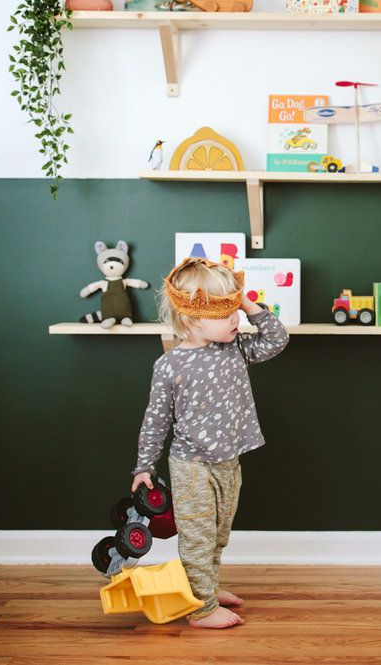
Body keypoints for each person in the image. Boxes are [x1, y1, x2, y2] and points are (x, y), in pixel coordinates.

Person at [130, 257, 289, 628]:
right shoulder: (169, 366)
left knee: (218, 533)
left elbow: (277, 339)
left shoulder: (234, 349)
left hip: (229, 461)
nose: (235, 320)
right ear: (190, 318)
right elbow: (155, 421)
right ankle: (200, 610)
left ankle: (207, 587)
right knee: (198, 536)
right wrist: (143, 467)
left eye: (235, 311)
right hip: (192, 465)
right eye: (225, 313)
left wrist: (249, 306)